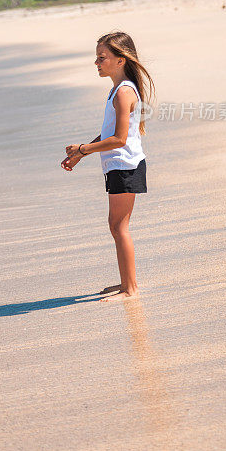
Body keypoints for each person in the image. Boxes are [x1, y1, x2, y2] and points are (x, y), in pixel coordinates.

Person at [61, 31, 155, 302]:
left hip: (126, 166)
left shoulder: (124, 92)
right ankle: (126, 282)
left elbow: (120, 139)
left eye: (102, 58)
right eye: (97, 57)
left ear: (120, 60)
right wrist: (82, 154)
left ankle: (130, 289)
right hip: (119, 166)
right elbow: (108, 133)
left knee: (119, 226)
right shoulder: (117, 90)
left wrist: (83, 148)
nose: (97, 63)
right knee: (117, 226)